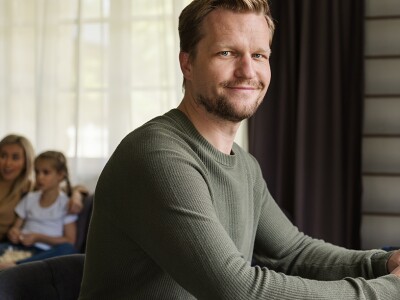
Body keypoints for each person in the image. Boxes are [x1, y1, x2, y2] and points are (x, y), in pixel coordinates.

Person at [79, 0, 400, 299]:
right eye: (227, 53)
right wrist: (387, 290)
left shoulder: (244, 164)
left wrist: (384, 264)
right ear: (187, 64)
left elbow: (292, 253)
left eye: (259, 55)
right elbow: (237, 290)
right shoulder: (157, 155)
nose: (248, 71)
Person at [0, 151, 78, 269]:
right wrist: (14, 233)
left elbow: (70, 240)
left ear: (60, 175)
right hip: (20, 247)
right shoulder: (30, 198)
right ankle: (17, 265)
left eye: (46, 173)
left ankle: (15, 266)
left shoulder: (66, 204)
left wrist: (39, 237)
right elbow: (16, 227)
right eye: (37, 172)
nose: (39, 177)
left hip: (45, 252)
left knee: (68, 249)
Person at [0, 134, 86, 242]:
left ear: (26, 162)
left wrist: (76, 196)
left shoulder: (31, 187)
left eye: (15, 158)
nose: (7, 163)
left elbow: (72, 187)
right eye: (3, 156)